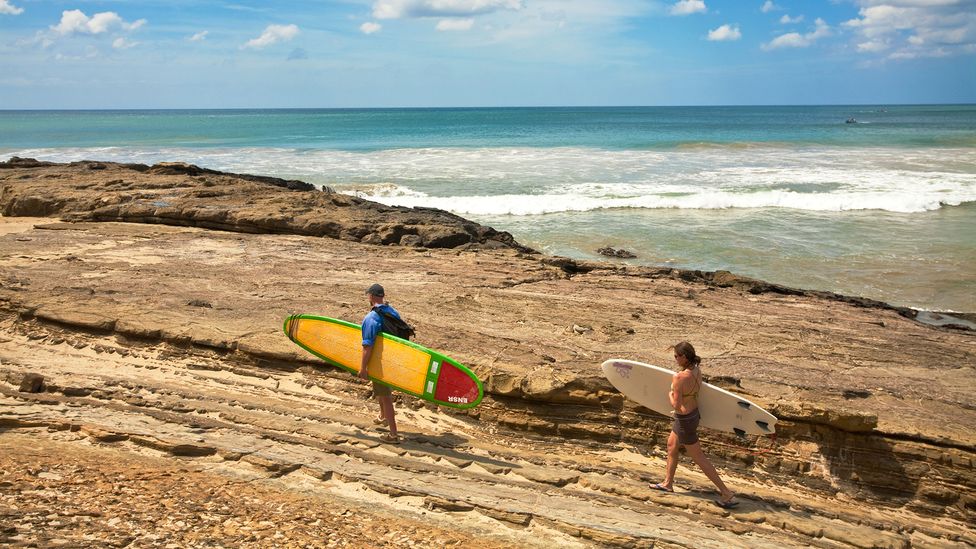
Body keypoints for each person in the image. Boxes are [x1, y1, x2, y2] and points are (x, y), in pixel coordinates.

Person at [651, 341, 737, 509]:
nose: (675, 359)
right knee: (671, 445)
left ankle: (726, 493)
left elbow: (676, 405)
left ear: (684, 357)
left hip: (684, 419)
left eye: (676, 356)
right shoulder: (696, 370)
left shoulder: (679, 377)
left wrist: (669, 394)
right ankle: (668, 483)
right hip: (692, 415)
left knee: (699, 458)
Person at [359, 283, 402, 444]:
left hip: (380, 362)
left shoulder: (371, 318)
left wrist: (363, 368)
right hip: (392, 359)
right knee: (380, 390)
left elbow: (367, 346)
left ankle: (393, 435)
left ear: (371, 296)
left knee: (385, 396)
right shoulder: (391, 311)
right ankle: (383, 416)